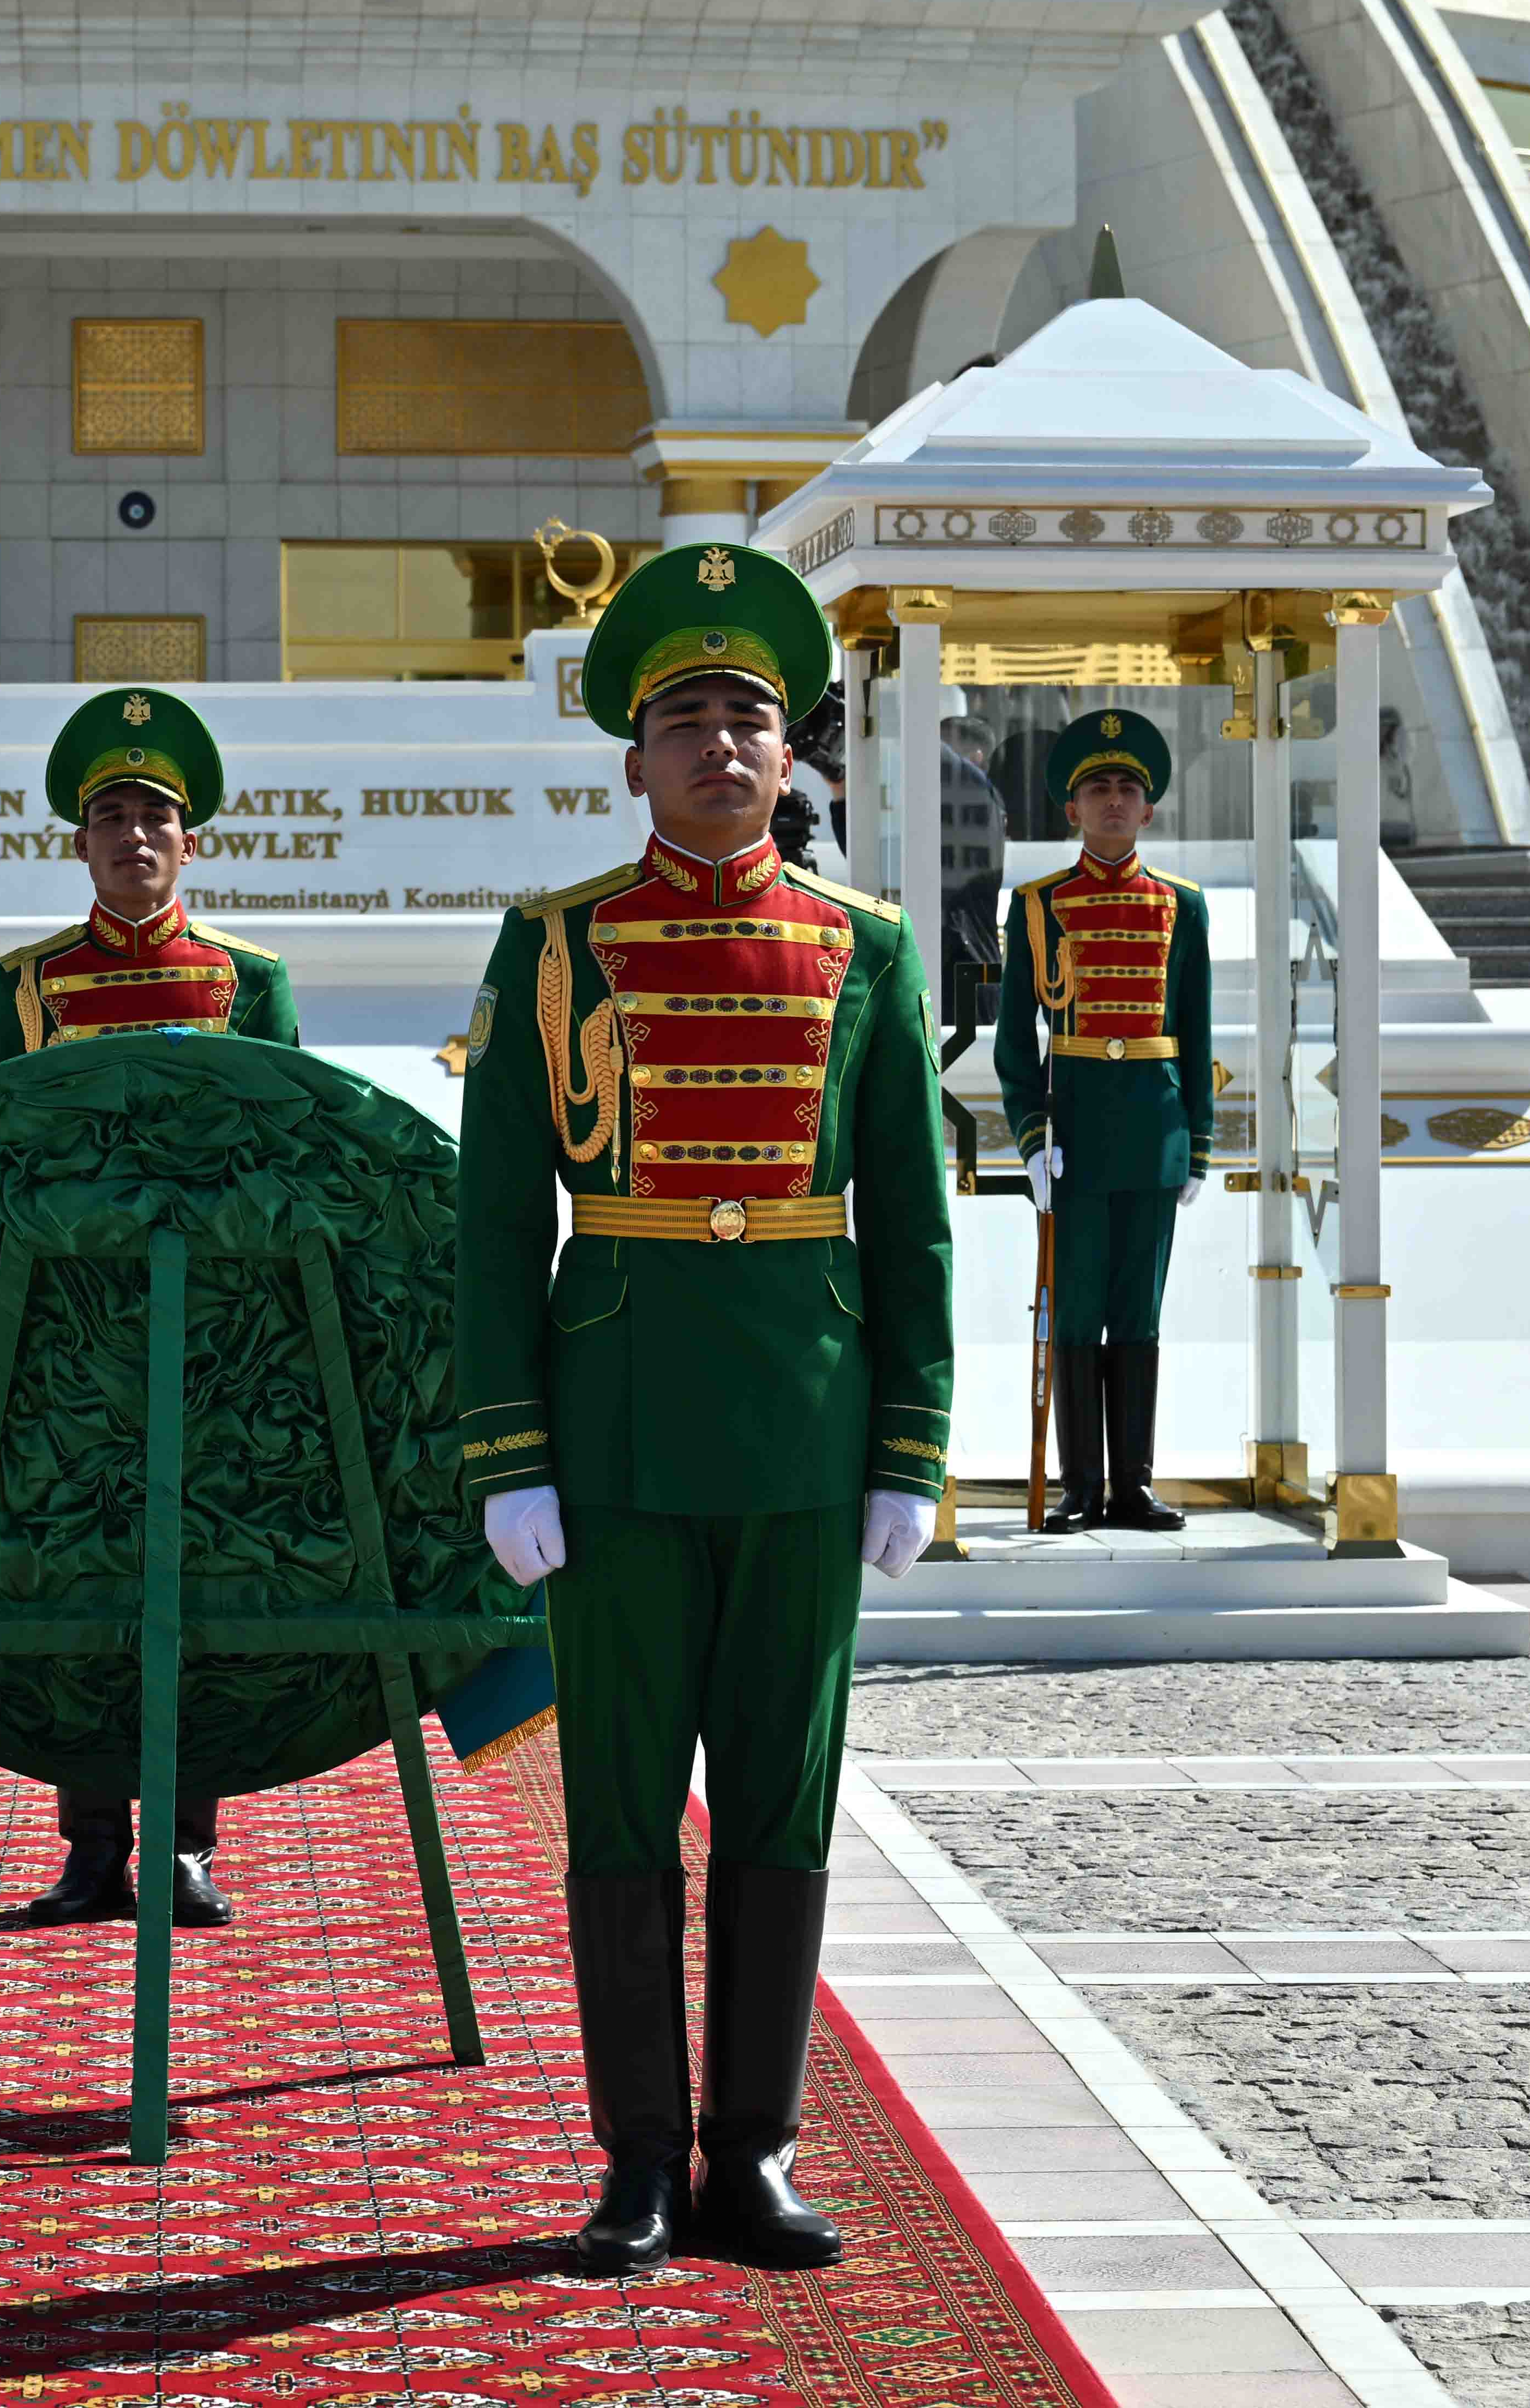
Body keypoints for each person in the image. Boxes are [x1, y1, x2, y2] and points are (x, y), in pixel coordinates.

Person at [455, 545, 956, 2275]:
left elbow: (912, 1216)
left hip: (804, 1433)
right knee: (617, 1813)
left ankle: (750, 2150)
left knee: (778, 1807)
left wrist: (908, 1442)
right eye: (686, 719)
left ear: (789, 751)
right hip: (612, 1438)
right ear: (633, 758)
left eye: (748, 716)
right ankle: (635, 2161)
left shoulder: (866, 949)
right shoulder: (553, 946)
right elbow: (494, 1220)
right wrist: (508, 1452)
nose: (720, 744)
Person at [0, 682, 296, 1931]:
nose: (134, 837)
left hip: (209, 1336)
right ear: (80, 842)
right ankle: (89, 1844)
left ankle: (185, 1842)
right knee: (81, 1587)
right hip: (72, 1339)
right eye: (111, 816)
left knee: (196, 1591)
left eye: (154, 816)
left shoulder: (247, 979)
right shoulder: (29, 982)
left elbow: (286, 1152)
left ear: (190, 840)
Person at [993, 708, 1214, 1534]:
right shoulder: (1038, 905)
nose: (1114, 800)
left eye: (1127, 787)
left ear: (1148, 810)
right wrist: (1031, 1139)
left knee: (1140, 1314)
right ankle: (1082, 1486)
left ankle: (1134, 1487)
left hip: (1153, 1135)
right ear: (1072, 809)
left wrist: (1197, 1145)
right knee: (1078, 1312)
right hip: (1076, 1137)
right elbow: (1015, 1043)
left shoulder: (1183, 906)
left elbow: (1196, 1032)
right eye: (1098, 788)